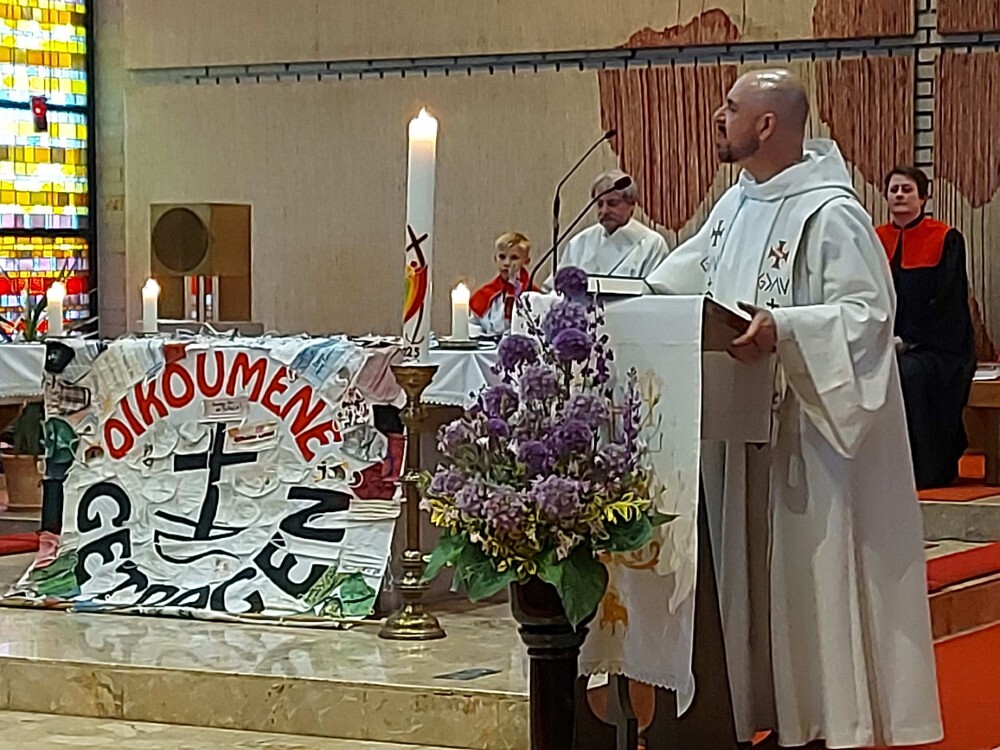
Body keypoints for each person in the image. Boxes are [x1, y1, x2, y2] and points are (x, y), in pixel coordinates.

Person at [647, 69, 943, 749]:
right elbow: (683, 277)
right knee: (751, 582)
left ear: (767, 124)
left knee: (808, 578)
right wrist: (618, 296)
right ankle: (761, 711)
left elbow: (869, 318)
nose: (718, 117)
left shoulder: (830, 212)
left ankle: (823, 720)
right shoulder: (736, 204)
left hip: (807, 435)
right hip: (740, 430)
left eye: (731, 108)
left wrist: (784, 328)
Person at [876, 166, 975, 489]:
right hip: (883, 341)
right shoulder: (875, 240)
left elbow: (949, 304)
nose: (899, 195)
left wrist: (909, 340)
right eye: (894, 190)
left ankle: (923, 469)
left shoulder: (945, 239)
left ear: (923, 198)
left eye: (907, 190)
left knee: (909, 374)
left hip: (937, 347)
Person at [545, 169, 668, 288]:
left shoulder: (652, 244)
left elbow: (654, 293)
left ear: (631, 205)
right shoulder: (580, 242)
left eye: (612, 203)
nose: (604, 211)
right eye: (599, 204)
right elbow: (555, 288)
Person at [469, 232, 535, 336]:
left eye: (514, 258)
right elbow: (473, 324)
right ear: (495, 258)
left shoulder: (533, 294)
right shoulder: (486, 293)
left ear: (526, 261)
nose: (507, 263)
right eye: (502, 257)